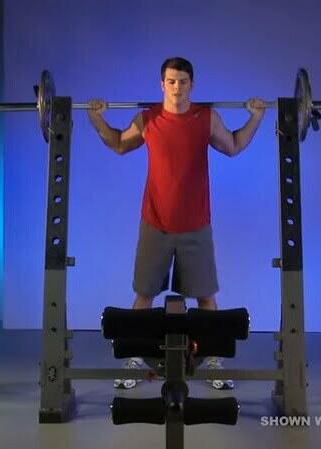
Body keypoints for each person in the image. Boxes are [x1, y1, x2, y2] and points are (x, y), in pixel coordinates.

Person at [86, 57, 265, 389]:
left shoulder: (206, 118)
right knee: (144, 295)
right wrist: (97, 118)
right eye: (171, 81)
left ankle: (212, 358)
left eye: (183, 81)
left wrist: (256, 117)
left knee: (206, 298)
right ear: (162, 84)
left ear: (192, 85)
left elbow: (235, 146)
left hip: (196, 225)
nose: (177, 87)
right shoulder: (148, 119)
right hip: (155, 223)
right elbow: (119, 144)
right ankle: (135, 357)